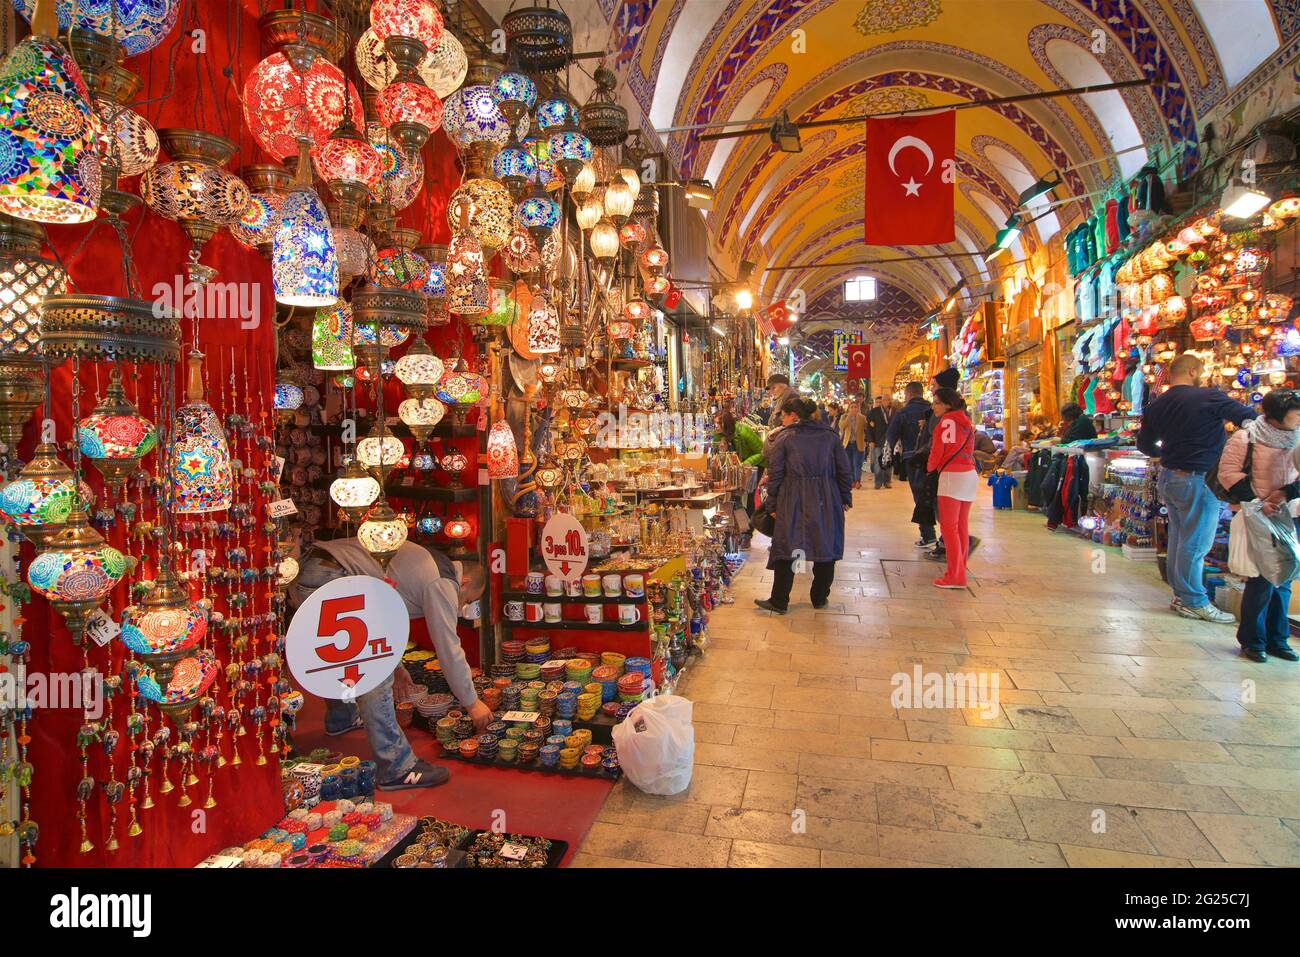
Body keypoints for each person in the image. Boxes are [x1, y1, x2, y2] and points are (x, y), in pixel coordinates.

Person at [292, 538, 491, 789]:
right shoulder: (442, 582)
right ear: (465, 582)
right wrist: (473, 704)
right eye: (468, 600)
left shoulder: (431, 565)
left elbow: (383, 619)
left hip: (316, 567)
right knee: (374, 670)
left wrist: (398, 666)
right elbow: (448, 648)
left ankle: (341, 717)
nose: (463, 608)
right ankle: (397, 767)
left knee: (345, 654)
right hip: (331, 574)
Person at [1136, 352, 1257, 622]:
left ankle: (1182, 595)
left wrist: (1169, 446)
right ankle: (1194, 601)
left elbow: (1144, 445)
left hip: (1170, 477)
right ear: (1193, 371)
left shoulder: (1158, 404)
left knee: (1180, 539)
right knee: (1196, 543)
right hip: (1199, 477)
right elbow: (1248, 417)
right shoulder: (1208, 396)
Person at [1215, 389, 1300, 662]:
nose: (1299, 416)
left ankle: (1278, 638)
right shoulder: (1247, 437)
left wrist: (1287, 493)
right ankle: (1253, 640)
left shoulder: (1297, 438)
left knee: (1284, 577)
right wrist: (1256, 501)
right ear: (1277, 415)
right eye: (1295, 412)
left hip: (1290, 513)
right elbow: (1228, 473)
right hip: (1258, 515)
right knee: (1262, 579)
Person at [755, 394, 853, 614]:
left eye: (783, 416)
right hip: (826, 497)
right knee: (825, 546)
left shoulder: (785, 438)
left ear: (793, 415)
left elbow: (776, 473)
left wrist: (772, 504)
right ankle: (819, 597)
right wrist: (845, 496)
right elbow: (843, 469)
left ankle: (780, 600)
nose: (782, 421)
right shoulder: (830, 436)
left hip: (793, 497)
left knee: (788, 547)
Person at [927, 387, 977, 589]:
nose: (933, 406)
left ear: (948, 404)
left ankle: (954, 576)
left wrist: (930, 468)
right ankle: (959, 572)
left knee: (949, 528)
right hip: (969, 475)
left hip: (951, 476)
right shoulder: (966, 422)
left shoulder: (945, 423)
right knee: (961, 526)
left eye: (937, 402)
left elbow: (937, 451)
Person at [886, 380, 937, 546]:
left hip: (913, 459)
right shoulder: (934, 409)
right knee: (934, 495)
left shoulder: (903, 412)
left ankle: (928, 535)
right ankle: (943, 536)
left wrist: (887, 459)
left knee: (920, 496)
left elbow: (891, 436)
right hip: (934, 458)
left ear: (907, 394)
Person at [838, 398, 868, 490]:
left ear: (858, 409)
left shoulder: (862, 418)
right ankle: (852, 481)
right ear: (848, 408)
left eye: (855, 407)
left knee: (857, 464)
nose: (854, 409)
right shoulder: (844, 416)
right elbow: (841, 426)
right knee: (849, 464)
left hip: (858, 444)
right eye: (852, 407)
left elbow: (866, 428)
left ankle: (857, 481)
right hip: (847, 444)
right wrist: (848, 417)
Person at [866, 394, 894, 489]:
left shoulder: (894, 411)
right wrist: (870, 440)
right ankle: (878, 482)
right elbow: (869, 428)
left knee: (889, 461)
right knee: (878, 462)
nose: (887, 401)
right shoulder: (874, 411)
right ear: (882, 401)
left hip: (890, 440)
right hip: (878, 440)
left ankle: (887, 481)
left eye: (889, 399)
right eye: (885, 399)